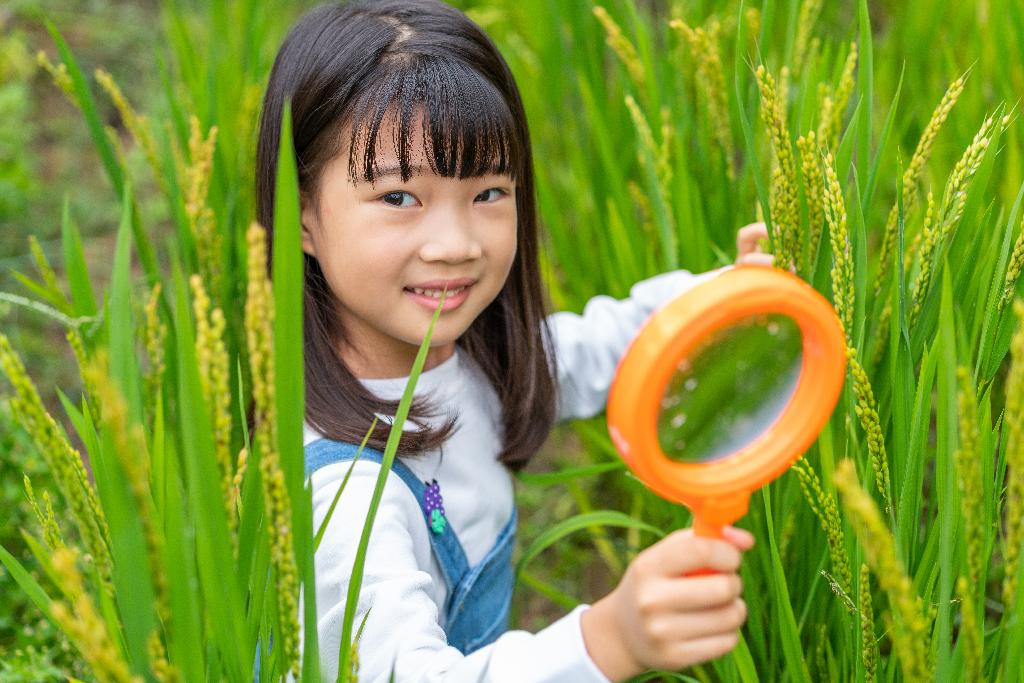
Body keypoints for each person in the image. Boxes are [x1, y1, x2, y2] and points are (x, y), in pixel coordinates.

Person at [254, 1, 773, 680]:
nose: (456, 244)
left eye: (489, 192)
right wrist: (606, 638)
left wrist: (723, 294)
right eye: (400, 198)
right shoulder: (342, 494)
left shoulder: (460, 360)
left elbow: (596, 348)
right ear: (302, 217)